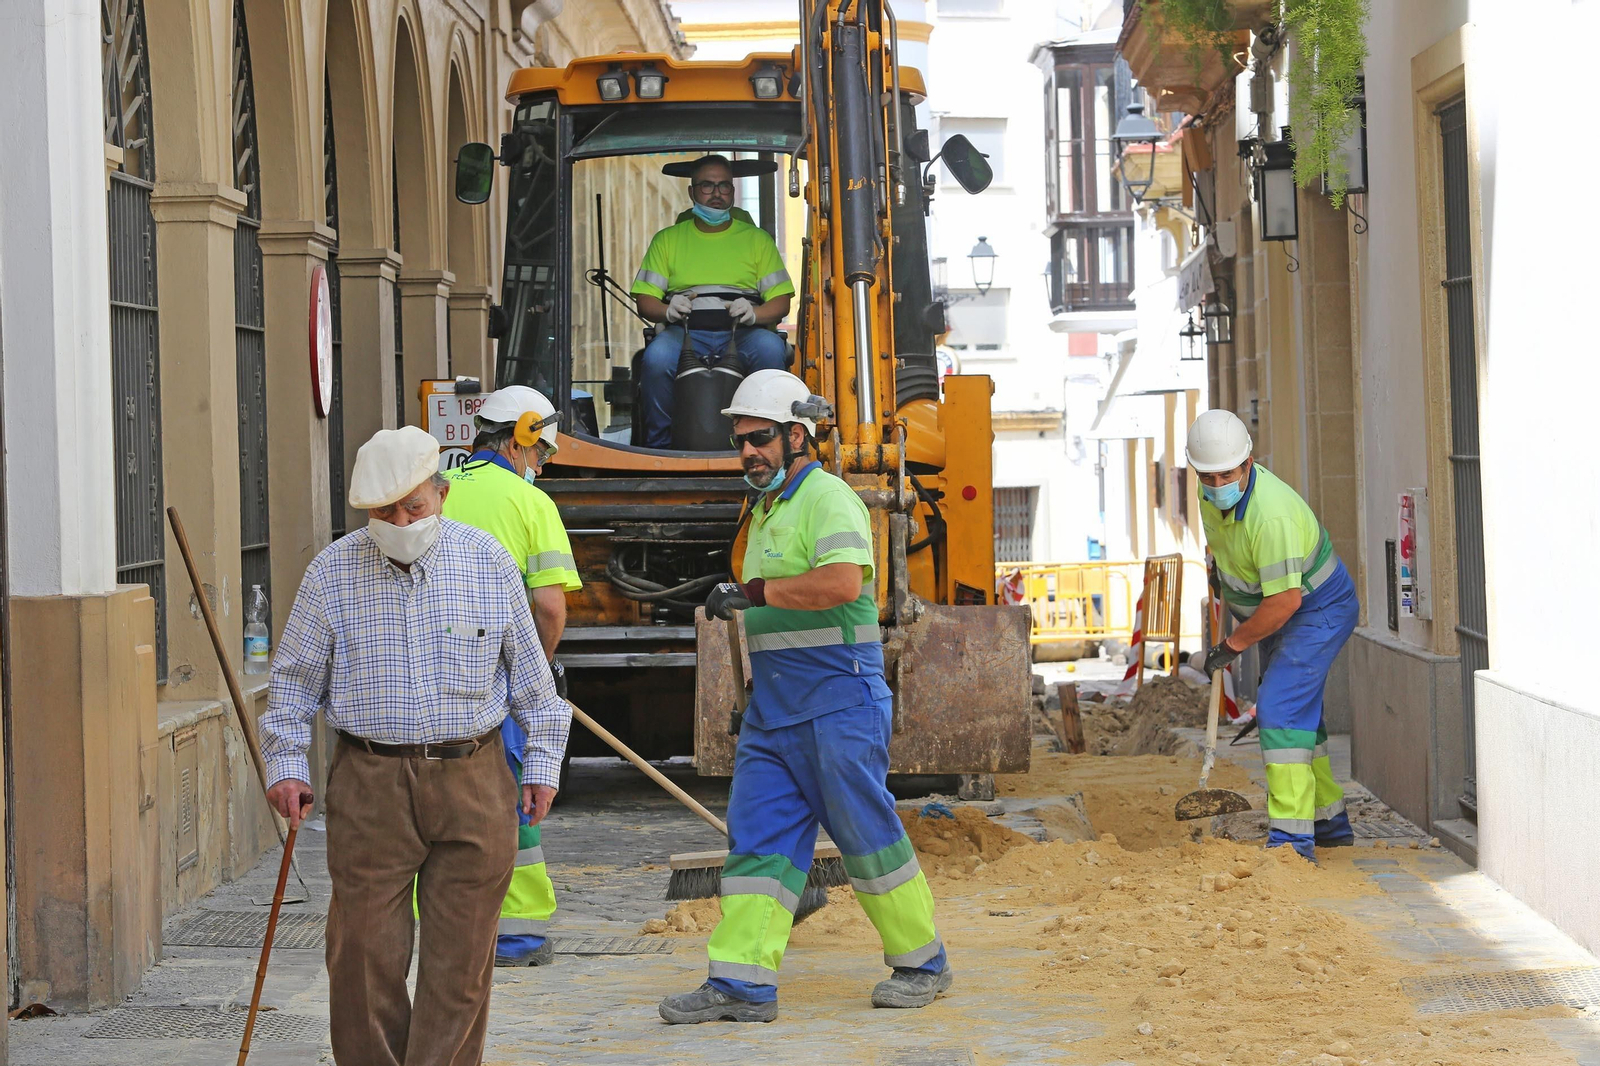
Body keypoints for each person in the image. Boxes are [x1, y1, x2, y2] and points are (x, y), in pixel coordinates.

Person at [261, 426, 569, 1066]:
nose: (400, 523)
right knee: (362, 955)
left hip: (473, 777)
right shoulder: (332, 572)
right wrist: (286, 766)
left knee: (461, 966)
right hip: (370, 782)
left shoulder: (486, 563)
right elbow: (292, 683)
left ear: (442, 494)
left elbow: (534, 684)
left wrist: (542, 764)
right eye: (384, 512)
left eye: (414, 507)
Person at [658, 370, 952, 1025]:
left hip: (838, 702)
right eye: (740, 441)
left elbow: (843, 583)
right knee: (757, 846)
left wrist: (755, 594)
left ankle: (923, 963)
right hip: (774, 710)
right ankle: (741, 982)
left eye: (759, 438)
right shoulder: (765, 510)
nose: (748, 452)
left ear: (797, 436)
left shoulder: (827, 498)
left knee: (866, 838)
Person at [442, 385, 581, 968]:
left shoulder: (436, 491)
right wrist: (535, 676)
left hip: (428, 682)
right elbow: (549, 608)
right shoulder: (531, 504)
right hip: (497, 683)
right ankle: (515, 936)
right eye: (542, 452)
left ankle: (448, 930)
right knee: (513, 801)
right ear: (522, 437)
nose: (542, 465)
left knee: (440, 804)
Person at [1188, 409, 1358, 862]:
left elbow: (1284, 603)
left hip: (1315, 610)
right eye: (1207, 476)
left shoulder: (1272, 515)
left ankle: (1290, 845)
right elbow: (1226, 545)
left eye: (1227, 474)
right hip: (1276, 610)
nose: (1217, 484)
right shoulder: (1210, 494)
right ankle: (1328, 823)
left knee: (1280, 711)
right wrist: (1219, 572)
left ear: (1248, 464)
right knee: (1301, 720)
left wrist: (1231, 647)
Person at [630, 154, 794, 448]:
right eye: (707, 186)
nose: (717, 193)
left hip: (744, 333)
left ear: (732, 190)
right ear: (691, 192)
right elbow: (645, 302)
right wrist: (668, 310)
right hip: (684, 333)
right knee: (656, 359)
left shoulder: (758, 240)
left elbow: (781, 303)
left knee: (771, 350)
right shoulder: (667, 240)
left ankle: (768, 444)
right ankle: (659, 450)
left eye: (724, 186)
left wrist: (754, 313)